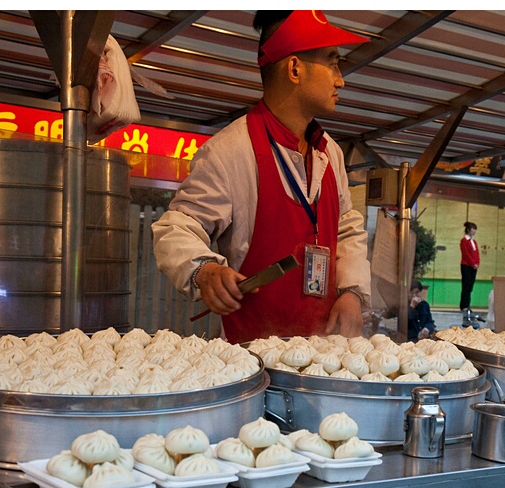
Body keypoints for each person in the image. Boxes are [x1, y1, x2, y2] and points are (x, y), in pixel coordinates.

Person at [152, 10, 371, 343]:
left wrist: (352, 291)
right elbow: (176, 228)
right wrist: (205, 271)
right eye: (333, 63)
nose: (340, 80)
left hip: (322, 356)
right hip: (250, 358)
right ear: (295, 68)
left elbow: (346, 228)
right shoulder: (231, 150)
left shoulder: (330, 152)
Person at [460, 221, 480, 327]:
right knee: (466, 286)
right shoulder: (464, 241)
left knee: (470, 286)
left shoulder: (474, 241)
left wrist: (477, 263)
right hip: (466, 266)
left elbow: (476, 253)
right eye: (473, 229)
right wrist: (473, 263)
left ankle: (467, 305)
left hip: (473, 266)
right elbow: (466, 254)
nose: (474, 231)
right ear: (468, 230)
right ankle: (464, 305)